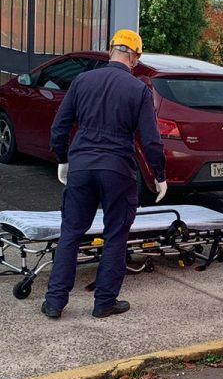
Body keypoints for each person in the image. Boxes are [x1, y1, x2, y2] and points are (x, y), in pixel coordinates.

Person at [41, 29, 165, 320]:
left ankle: (55, 302)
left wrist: (63, 159)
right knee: (116, 235)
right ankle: (104, 303)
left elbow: (59, 127)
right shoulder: (138, 90)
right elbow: (151, 140)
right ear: (135, 57)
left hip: (81, 165)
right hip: (117, 169)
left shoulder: (82, 80)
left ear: (111, 51)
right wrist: (160, 175)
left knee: (71, 232)